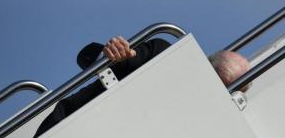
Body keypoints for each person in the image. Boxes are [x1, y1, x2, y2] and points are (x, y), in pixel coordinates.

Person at [34, 36, 249, 136]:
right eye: (215, 81)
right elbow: (88, 54)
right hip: (65, 127)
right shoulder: (162, 56)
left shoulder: (208, 127)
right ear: (203, 65)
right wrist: (113, 54)